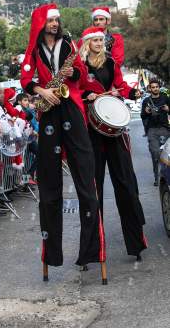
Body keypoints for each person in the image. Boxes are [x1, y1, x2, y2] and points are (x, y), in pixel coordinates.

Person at [20, 4, 106, 281]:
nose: (56, 23)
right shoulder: (33, 51)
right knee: (49, 184)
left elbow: (81, 72)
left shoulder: (69, 44)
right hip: (48, 109)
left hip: (71, 107)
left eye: (57, 19)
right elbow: (26, 79)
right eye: (51, 20)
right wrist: (43, 89)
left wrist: (73, 74)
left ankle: (92, 251)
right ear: (41, 22)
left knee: (86, 178)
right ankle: (52, 254)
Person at [80, 26, 147, 260]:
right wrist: (84, 96)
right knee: (93, 191)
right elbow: (73, 92)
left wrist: (128, 93)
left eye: (101, 40)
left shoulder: (111, 64)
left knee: (126, 186)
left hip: (114, 133)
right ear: (87, 43)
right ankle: (91, 251)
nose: (100, 43)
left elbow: (120, 85)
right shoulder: (80, 67)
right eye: (95, 40)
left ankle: (136, 243)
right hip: (91, 133)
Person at [141, 79, 170, 186]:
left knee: (167, 154)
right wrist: (146, 112)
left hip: (165, 129)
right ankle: (157, 178)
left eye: (156, 87)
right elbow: (142, 116)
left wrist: (168, 109)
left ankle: (166, 175)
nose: (155, 89)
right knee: (155, 153)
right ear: (150, 88)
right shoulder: (146, 101)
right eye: (153, 87)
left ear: (159, 87)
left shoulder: (165, 98)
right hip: (152, 130)